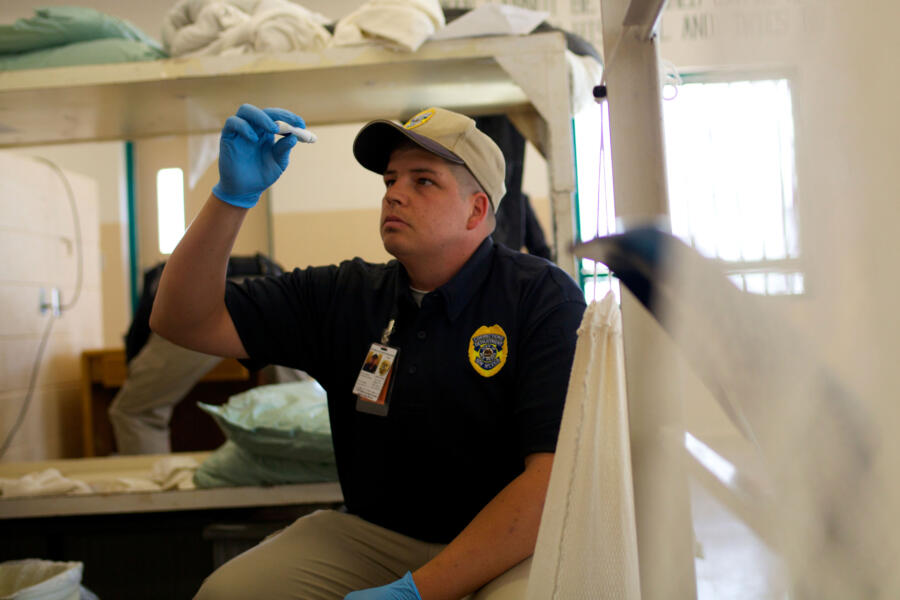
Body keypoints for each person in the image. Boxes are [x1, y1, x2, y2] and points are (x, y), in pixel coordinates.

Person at [150, 103, 586, 600]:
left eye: (423, 181)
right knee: (229, 594)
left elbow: (551, 479)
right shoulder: (346, 295)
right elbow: (181, 320)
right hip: (377, 537)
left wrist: (417, 592)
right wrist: (232, 199)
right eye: (390, 180)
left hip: (505, 544)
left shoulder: (541, 298)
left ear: (476, 210)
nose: (395, 194)